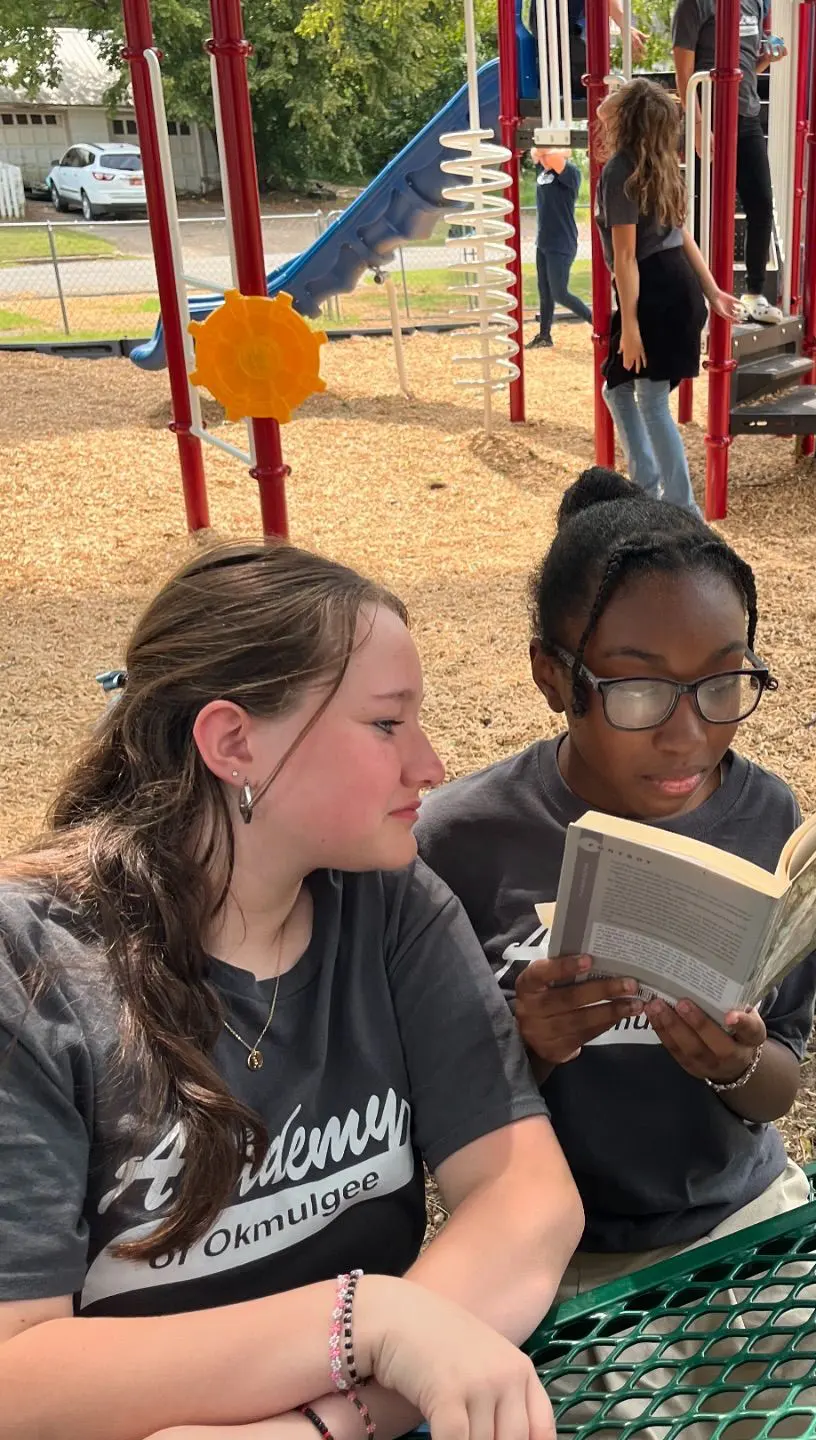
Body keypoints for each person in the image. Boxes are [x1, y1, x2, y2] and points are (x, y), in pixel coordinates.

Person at [0, 542, 583, 1440]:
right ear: (234, 742)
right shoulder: (31, 967)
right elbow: (18, 1374)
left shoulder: (390, 904)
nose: (429, 765)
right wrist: (370, 1323)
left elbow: (528, 1198)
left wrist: (328, 1420)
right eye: (388, 725)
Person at [416, 467, 816, 1294]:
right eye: (638, 689)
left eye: (723, 682)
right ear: (554, 677)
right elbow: (426, 1123)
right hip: (551, 1251)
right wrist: (530, 1050)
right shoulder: (461, 841)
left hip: (746, 1214)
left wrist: (732, 1066)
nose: (686, 734)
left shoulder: (766, 815)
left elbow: (780, 1080)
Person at [594, 79, 744, 516]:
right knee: (618, 389)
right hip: (677, 286)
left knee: (651, 400)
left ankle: (682, 508)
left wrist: (633, 327)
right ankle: (647, 489)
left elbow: (625, 257)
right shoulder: (660, 163)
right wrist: (710, 290)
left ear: (627, 121)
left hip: (655, 291)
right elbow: (684, 236)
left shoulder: (622, 169)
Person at [672, 0, 787, 324]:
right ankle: (699, 297)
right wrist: (696, 125)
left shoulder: (754, 3)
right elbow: (684, 70)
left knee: (762, 204)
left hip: (747, 115)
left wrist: (766, 59)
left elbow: (749, 65)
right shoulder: (695, 4)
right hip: (710, 114)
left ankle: (754, 293)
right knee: (703, 211)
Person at [528, 146, 592, 350]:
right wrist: (546, 150)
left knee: (559, 293)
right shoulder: (544, 173)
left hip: (562, 242)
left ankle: (600, 325)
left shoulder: (571, 173)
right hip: (544, 241)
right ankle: (544, 335)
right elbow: (534, 152)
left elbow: (547, 154)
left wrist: (560, 151)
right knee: (545, 291)